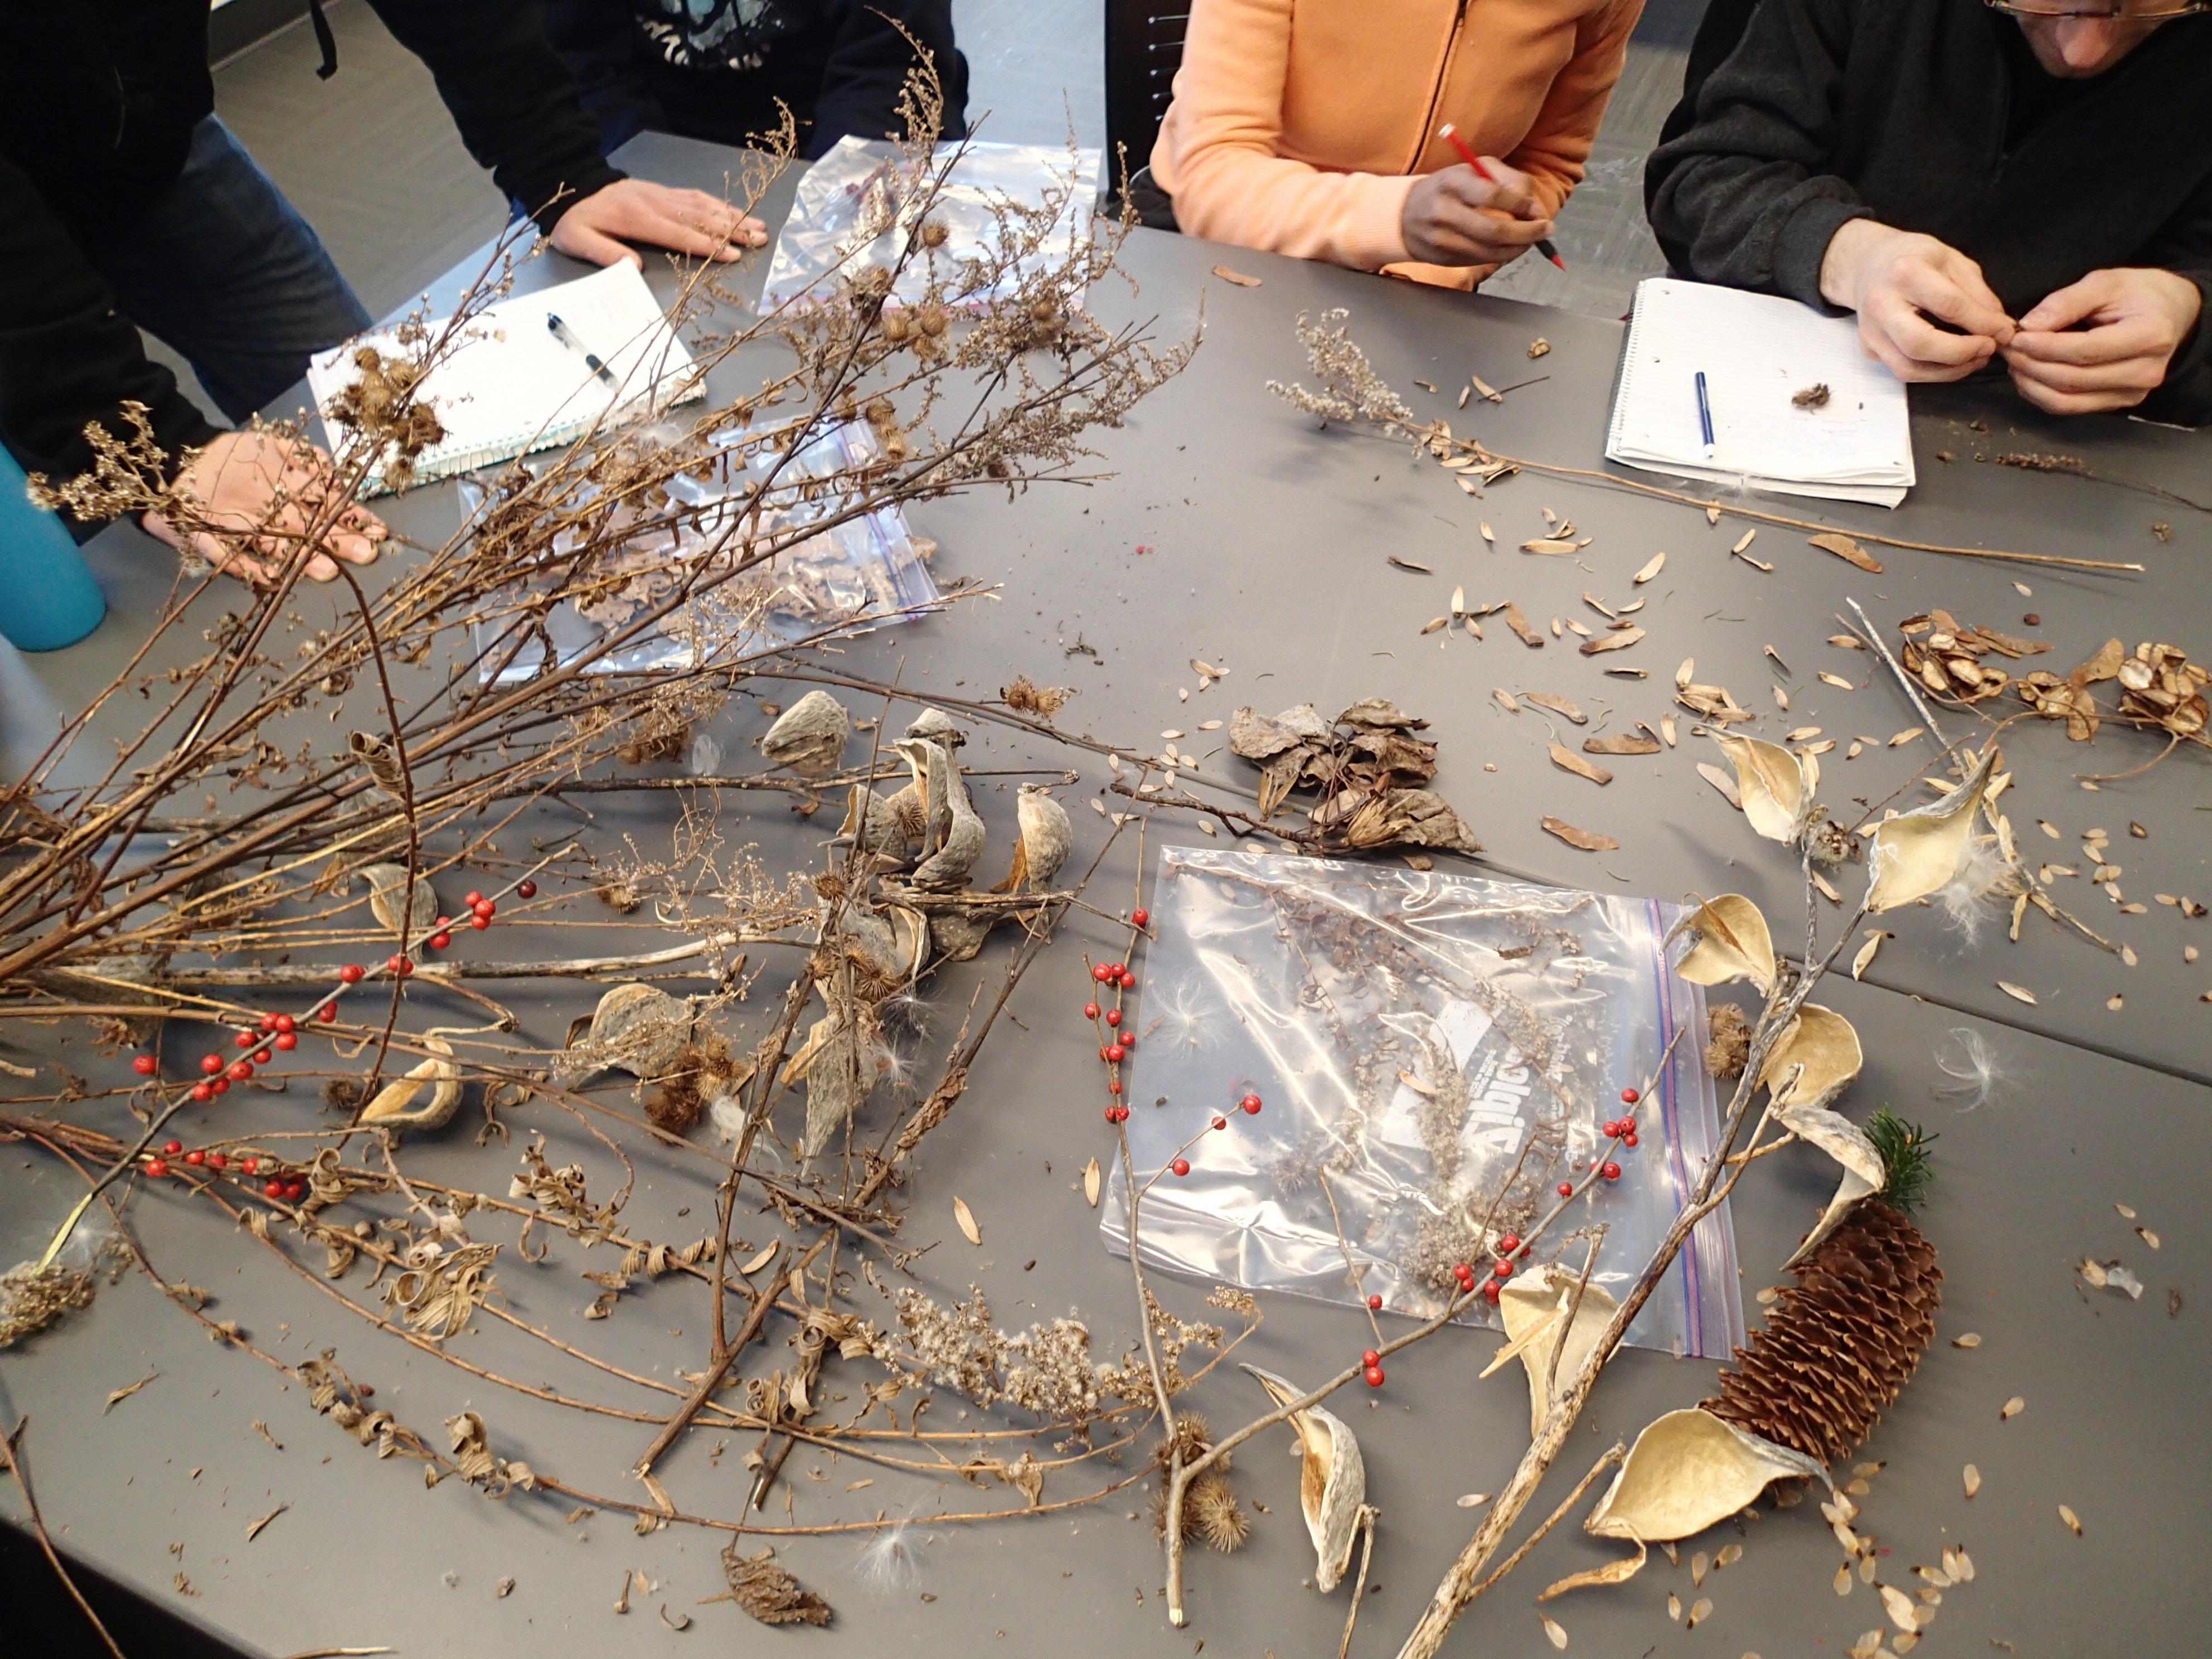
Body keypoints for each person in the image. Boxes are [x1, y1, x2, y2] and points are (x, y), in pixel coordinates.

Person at [0, 1, 770, 588]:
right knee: (116, 562)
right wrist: (137, 444)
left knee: (387, 444)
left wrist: (559, 166)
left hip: (153, 146)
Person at [1645, 0, 2212, 422]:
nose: (2080, 51)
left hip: (2087, 436)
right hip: (1780, 381)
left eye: (2152, 8)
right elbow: (1698, 179)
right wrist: (1843, 253)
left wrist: (2188, 314)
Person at [1143, 0, 1646, 290]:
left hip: (1421, 285)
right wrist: (1395, 220)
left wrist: (1460, 247)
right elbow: (1214, 174)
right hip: (1221, 243)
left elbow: (1548, 161)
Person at [537, 0, 967, 164]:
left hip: (830, 115)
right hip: (646, 116)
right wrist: (644, 179)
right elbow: (569, 60)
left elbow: (891, 65)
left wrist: (833, 194)